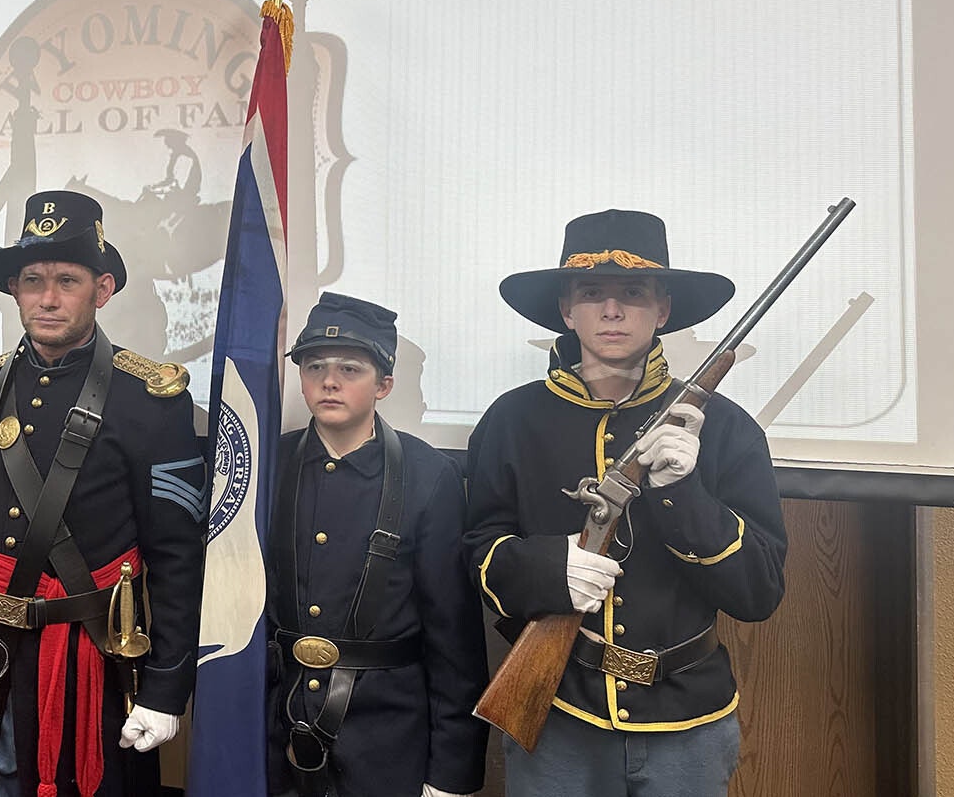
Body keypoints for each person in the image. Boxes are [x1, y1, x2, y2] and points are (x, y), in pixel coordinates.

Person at [463, 209, 787, 797]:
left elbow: (759, 591)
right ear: (567, 308)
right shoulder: (513, 419)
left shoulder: (729, 430)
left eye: (632, 293)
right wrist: (550, 568)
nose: (612, 311)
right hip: (561, 713)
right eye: (592, 293)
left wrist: (681, 493)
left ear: (663, 309)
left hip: (688, 722)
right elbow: (478, 553)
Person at [0, 189, 207, 796]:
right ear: (13, 289)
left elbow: (176, 557)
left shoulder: (150, 401)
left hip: (88, 658)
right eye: (32, 279)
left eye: (67, 279)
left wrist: (168, 686)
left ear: (103, 288)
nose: (46, 297)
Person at [268, 292, 488, 797]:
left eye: (350, 368)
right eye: (314, 366)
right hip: (277, 728)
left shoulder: (429, 475)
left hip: (385, 740)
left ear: (384, 385)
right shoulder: (270, 466)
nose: (329, 380)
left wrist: (451, 771)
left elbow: (454, 637)